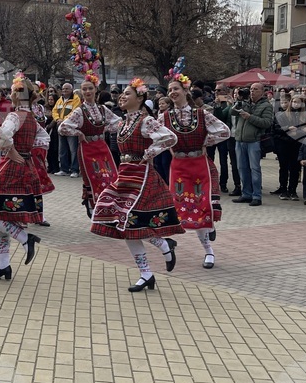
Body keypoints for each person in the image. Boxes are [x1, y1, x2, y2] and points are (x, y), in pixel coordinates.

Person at [90, 79, 182, 292]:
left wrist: (150, 152)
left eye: (128, 94)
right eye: (122, 94)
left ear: (140, 98)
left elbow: (170, 137)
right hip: (124, 173)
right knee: (122, 223)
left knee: (129, 223)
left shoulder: (146, 120)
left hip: (142, 175)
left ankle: (160, 252)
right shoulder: (122, 122)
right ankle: (149, 269)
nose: (122, 97)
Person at [0, 75, 47, 280]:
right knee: (4, 215)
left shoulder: (15, 116)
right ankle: (3, 265)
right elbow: (44, 139)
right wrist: (26, 152)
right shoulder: (32, 118)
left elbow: (3, 135)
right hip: (26, 167)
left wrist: (8, 148)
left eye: (13, 91)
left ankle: (25, 239)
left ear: (16, 94)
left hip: (11, 167)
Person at [160, 79, 230, 268]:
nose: (172, 92)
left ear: (185, 90)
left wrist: (206, 141)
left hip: (198, 163)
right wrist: (166, 146)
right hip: (179, 166)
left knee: (200, 208)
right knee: (179, 207)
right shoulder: (164, 117)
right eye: (169, 90)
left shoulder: (201, 114)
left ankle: (209, 251)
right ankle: (169, 243)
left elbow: (225, 131)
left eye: (176, 89)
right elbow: (154, 137)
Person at [58, 77, 119, 217]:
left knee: (111, 177)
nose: (87, 91)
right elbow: (63, 127)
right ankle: (93, 206)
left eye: (90, 88)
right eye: (84, 89)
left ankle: (109, 207)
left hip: (102, 147)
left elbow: (118, 122)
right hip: (87, 148)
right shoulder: (79, 111)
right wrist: (78, 132)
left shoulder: (103, 109)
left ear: (96, 90)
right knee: (96, 178)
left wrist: (107, 128)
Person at [231, 83, 273, 206]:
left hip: (254, 141)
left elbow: (266, 123)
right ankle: (246, 194)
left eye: (255, 89)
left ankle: (256, 196)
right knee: (242, 168)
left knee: (254, 169)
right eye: (251, 89)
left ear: (262, 92)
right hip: (240, 140)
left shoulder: (266, 106)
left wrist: (250, 117)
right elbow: (232, 113)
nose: (252, 91)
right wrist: (239, 101)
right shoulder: (245, 103)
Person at [207, 87, 240, 196]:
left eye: (220, 91)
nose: (217, 92)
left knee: (223, 161)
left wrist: (224, 105)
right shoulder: (210, 103)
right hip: (211, 137)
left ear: (226, 92)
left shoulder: (229, 105)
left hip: (223, 137)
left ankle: (223, 183)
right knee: (210, 160)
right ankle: (211, 183)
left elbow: (221, 118)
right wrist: (215, 105)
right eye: (216, 91)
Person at [272, 94, 304, 201]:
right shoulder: (281, 115)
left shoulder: (303, 116)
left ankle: (293, 190)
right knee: (284, 168)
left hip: (297, 145)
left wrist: (297, 131)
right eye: (294, 102)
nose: (295, 104)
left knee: (295, 169)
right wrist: (288, 129)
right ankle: (283, 189)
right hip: (284, 145)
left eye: (298, 102)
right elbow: (276, 129)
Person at [52, 82, 81, 177]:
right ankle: (64, 169)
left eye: (67, 89)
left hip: (71, 128)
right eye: (63, 89)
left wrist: (64, 120)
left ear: (71, 90)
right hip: (61, 127)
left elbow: (75, 112)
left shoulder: (76, 99)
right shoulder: (60, 100)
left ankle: (75, 170)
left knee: (73, 150)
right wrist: (57, 119)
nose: (64, 91)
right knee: (62, 149)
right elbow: (54, 111)